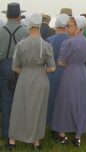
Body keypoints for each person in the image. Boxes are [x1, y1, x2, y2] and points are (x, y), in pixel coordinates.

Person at [8, 13, 55, 150]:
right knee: (38, 110)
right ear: (40, 25)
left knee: (19, 108)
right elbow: (52, 67)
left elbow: (15, 66)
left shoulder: (21, 44)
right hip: (41, 80)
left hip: (24, 78)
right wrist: (40, 70)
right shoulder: (46, 45)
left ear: (29, 25)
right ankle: (35, 142)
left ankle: (12, 141)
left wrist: (26, 71)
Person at [52, 15, 86, 147]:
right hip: (83, 73)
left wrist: (67, 63)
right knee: (81, 103)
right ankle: (78, 136)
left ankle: (62, 135)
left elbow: (61, 61)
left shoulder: (68, 42)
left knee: (65, 102)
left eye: (68, 26)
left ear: (77, 27)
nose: (66, 28)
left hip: (70, 73)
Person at [0, 2, 28, 143]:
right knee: (22, 100)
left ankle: (6, 133)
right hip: (21, 68)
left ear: (7, 15)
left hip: (4, 66)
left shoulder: (0, 30)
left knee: (6, 100)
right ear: (18, 16)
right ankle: (20, 132)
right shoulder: (25, 31)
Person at [46, 14, 69, 133]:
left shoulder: (50, 40)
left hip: (54, 71)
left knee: (53, 98)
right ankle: (66, 123)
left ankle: (52, 123)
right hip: (68, 71)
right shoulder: (71, 40)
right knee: (67, 99)